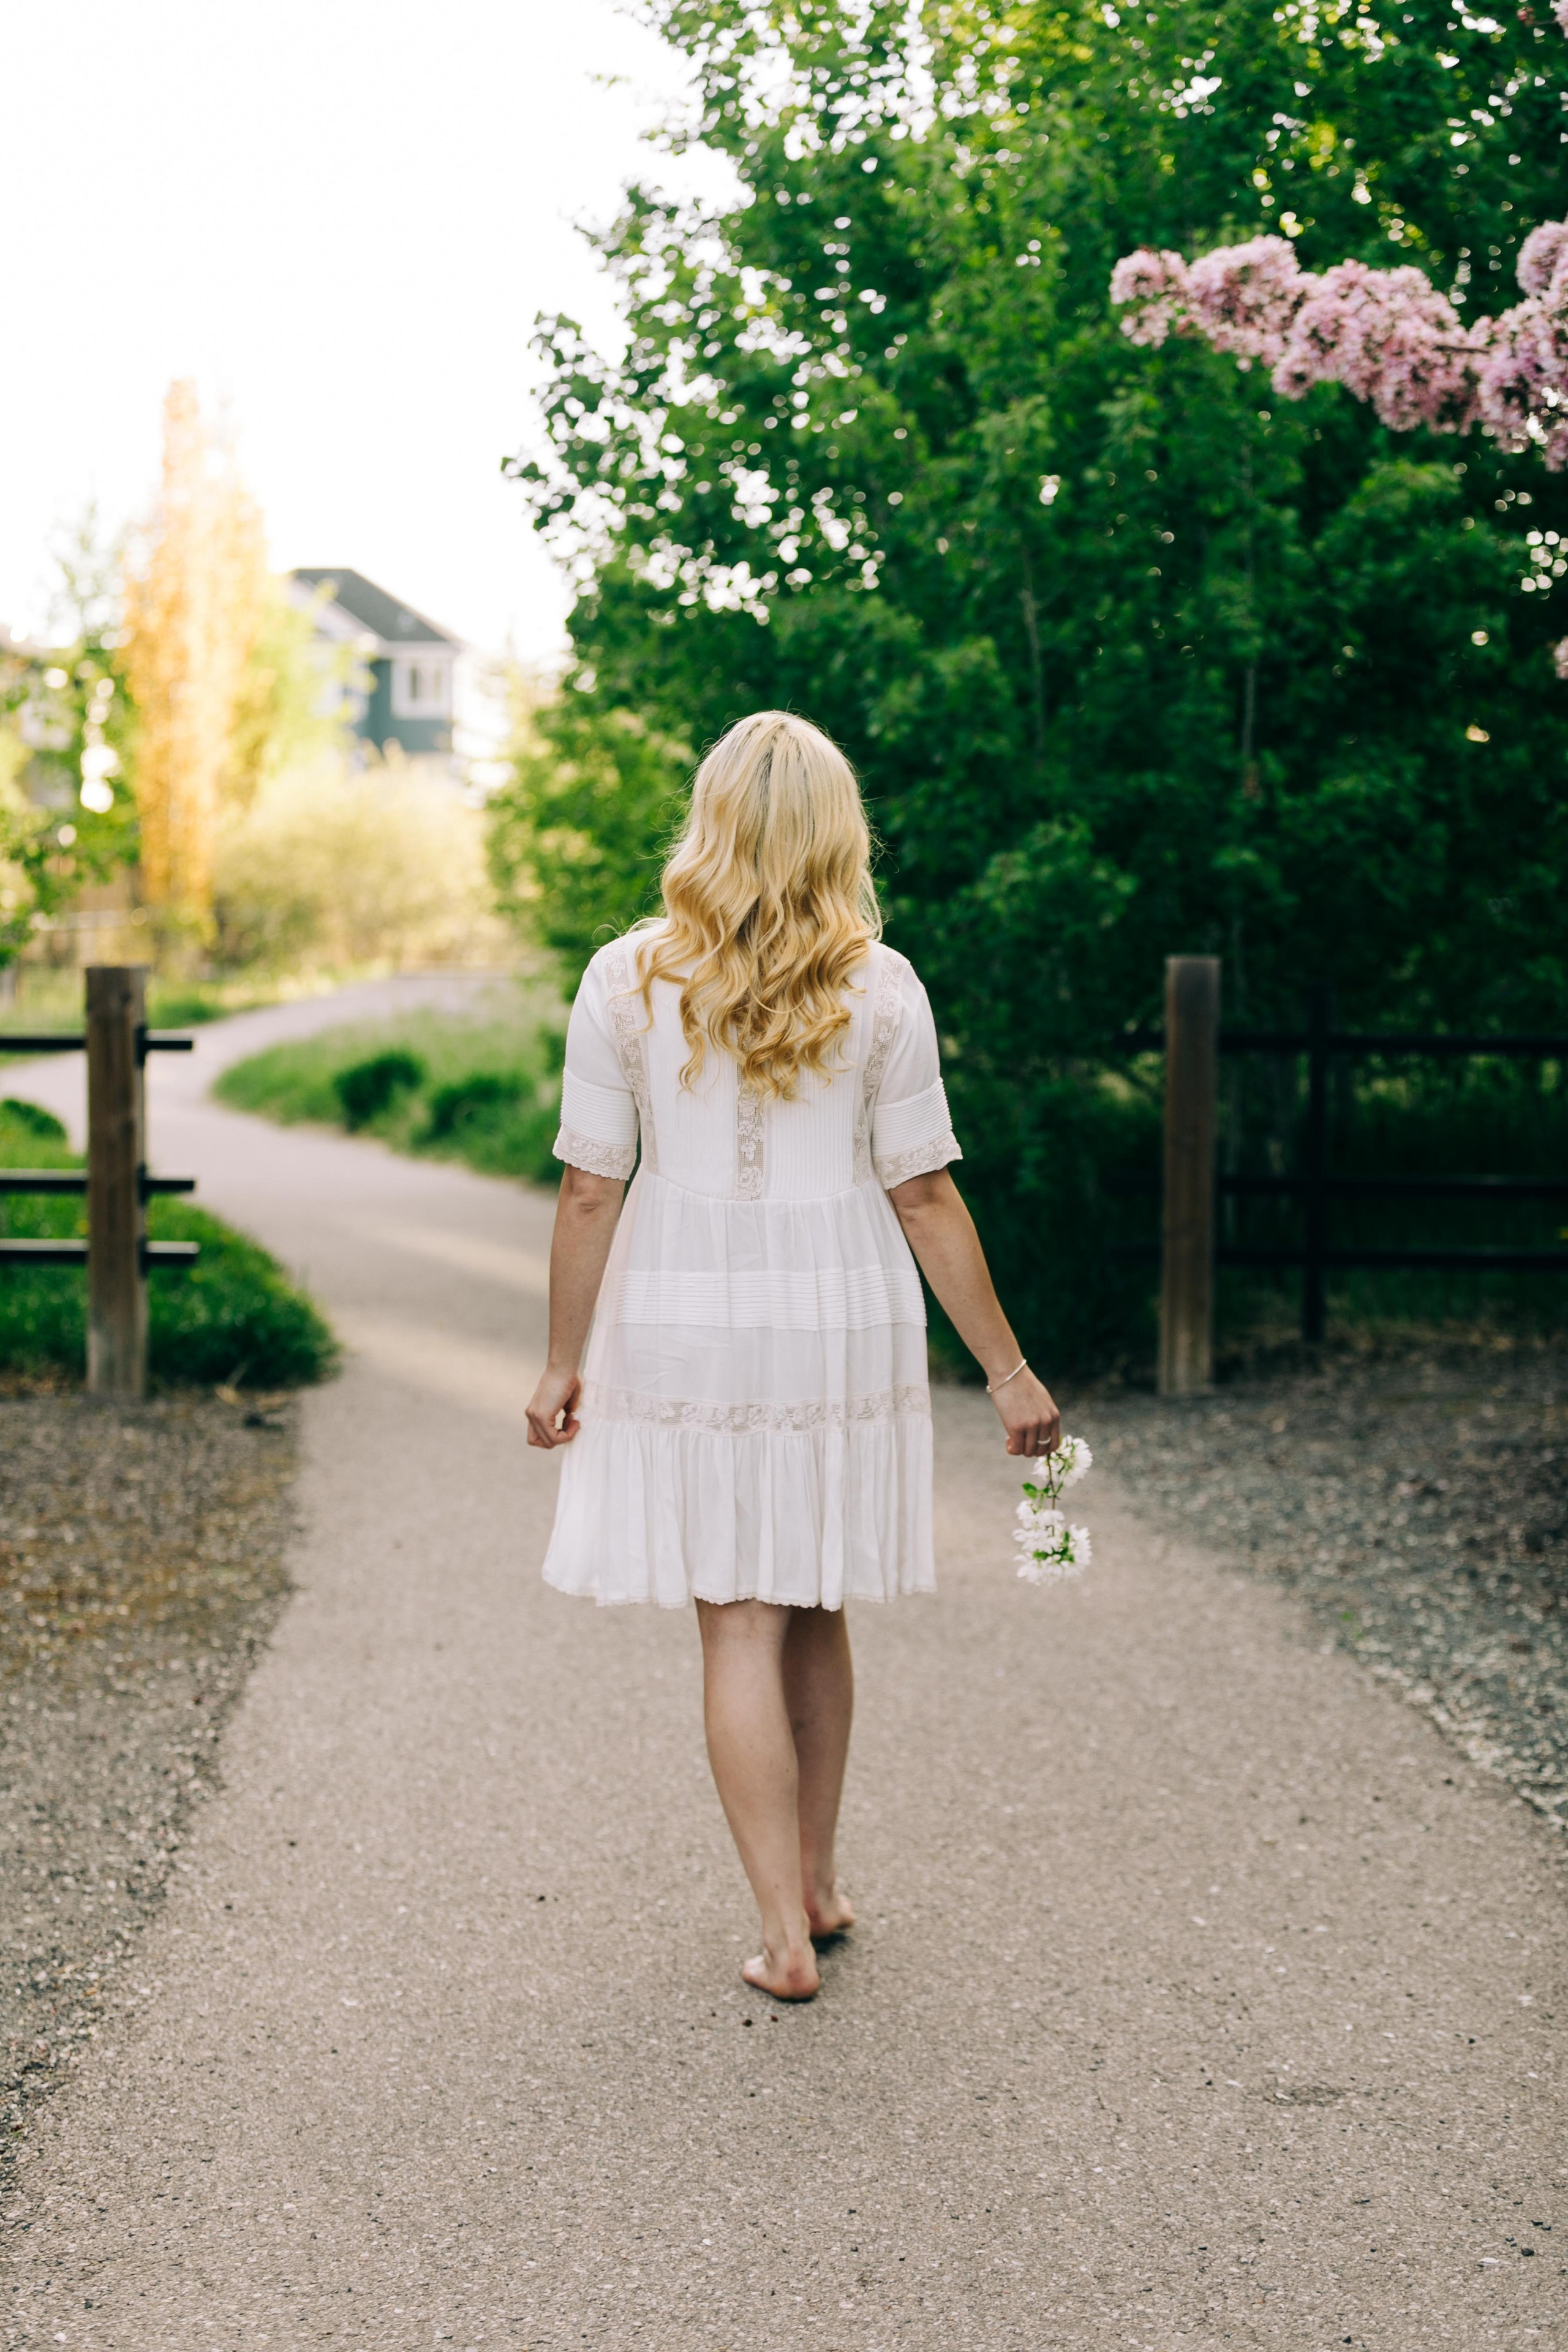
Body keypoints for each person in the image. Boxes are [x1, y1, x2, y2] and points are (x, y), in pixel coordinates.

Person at [526, 712, 1059, 2000]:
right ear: (839, 832)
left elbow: (591, 1191)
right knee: (814, 1597)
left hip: (685, 1311)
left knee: (743, 1618)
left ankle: (783, 1927)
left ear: (707, 822)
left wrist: (558, 1362)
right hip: (837, 1312)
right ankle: (813, 1888)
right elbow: (923, 1194)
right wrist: (1007, 1371)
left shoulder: (625, 978)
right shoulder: (879, 984)